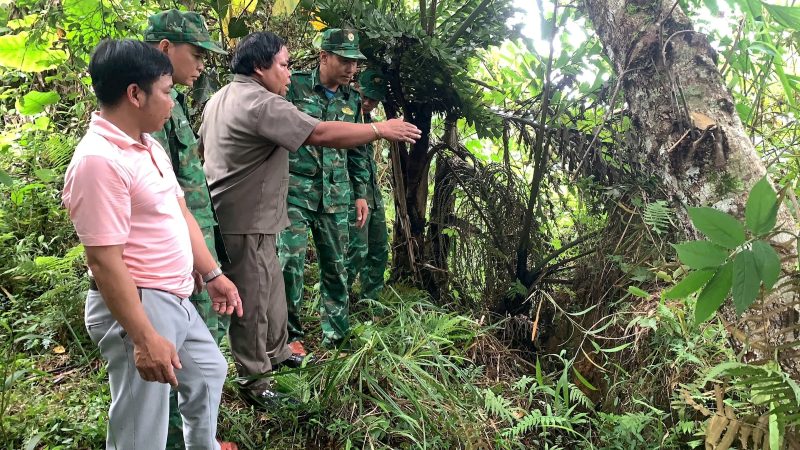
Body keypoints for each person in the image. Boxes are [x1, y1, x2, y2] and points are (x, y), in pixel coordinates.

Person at [199, 31, 420, 409]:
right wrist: (379, 129)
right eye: (283, 65)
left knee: (271, 292)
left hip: (255, 216)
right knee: (251, 303)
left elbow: (205, 149)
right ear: (259, 66)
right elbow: (317, 132)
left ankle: (279, 351)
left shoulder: (221, 96)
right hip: (246, 218)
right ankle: (256, 381)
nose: (288, 73)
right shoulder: (261, 103)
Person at [62, 39, 242, 450]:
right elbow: (104, 261)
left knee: (209, 371)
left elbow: (180, 214)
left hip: (174, 297)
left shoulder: (148, 145)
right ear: (135, 94)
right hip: (140, 303)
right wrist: (143, 338)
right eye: (165, 91)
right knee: (141, 428)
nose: (171, 101)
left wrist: (212, 273)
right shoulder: (99, 161)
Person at [143, 10, 236, 450]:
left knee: (205, 357)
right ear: (165, 49)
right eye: (196, 54)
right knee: (178, 356)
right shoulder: (147, 107)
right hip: (171, 258)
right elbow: (158, 200)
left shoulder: (172, 99)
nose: (202, 65)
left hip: (193, 244)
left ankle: (200, 440)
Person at [278, 28, 371, 353]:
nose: (351, 69)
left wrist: (361, 193)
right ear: (324, 57)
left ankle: (337, 337)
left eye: (355, 62)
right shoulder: (295, 86)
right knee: (290, 265)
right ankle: (290, 336)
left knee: (336, 266)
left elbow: (359, 149)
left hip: (336, 195)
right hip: (295, 192)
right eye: (344, 61)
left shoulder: (352, 99)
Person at [346, 67, 390, 304]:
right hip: (352, 195)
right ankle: (336, 301)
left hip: (372, 194)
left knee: (379, 248)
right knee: (356, 251)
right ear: (355, 88)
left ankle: (370, 302)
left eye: (373, 99)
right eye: (364, 96)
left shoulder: (369, 120)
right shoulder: (344, 117)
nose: (367, 102)